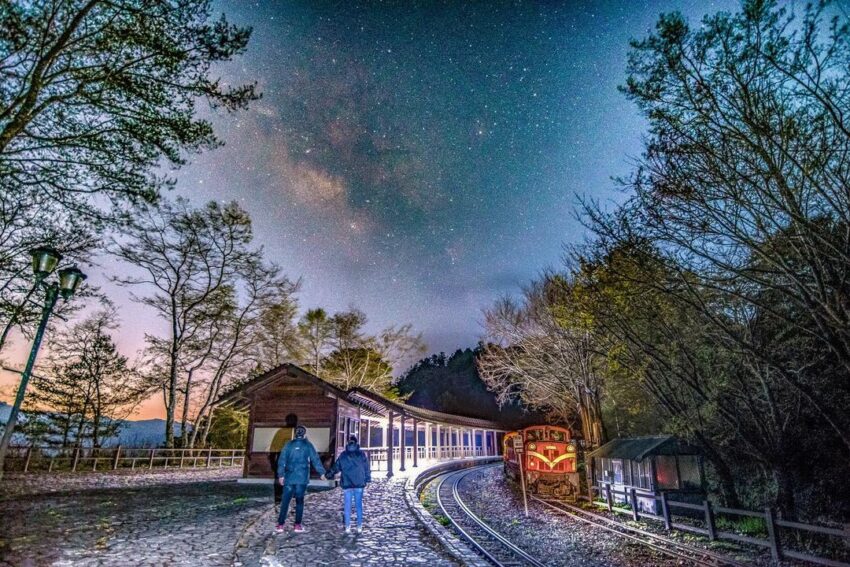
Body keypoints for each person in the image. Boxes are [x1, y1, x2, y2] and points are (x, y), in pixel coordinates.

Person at [276, 424, 326, 534]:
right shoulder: (308, 445)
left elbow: (282, 461)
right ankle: (297, 525)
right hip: (302, 478)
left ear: (295, 433)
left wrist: (281, 475)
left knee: (285, 502)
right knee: (299, 501)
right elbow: (315, 460)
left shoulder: (288, 445)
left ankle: (280, 525)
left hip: (289, 477)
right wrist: (321, 473)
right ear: (304, 434)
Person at [326, 435, 371, 533]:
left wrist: (328, 474)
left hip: (347, 483)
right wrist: (367, 478)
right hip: (359, 483)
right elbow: (366, 467)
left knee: (347, 506)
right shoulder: (362, 454)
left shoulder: (343, 455)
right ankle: (359, 527)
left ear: (348, 443)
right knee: (359, 505)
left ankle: (347, 527)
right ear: (356, 443)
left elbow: (336, 467)